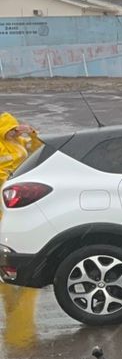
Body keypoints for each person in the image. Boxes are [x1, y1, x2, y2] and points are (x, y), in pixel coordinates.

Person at [1, 111, 43, 347]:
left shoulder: (20, 142)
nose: (14, 132)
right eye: (10, 129)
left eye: (15, 128)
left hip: (17, 190)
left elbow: (38, 149)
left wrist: (32, 133)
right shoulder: (1, 145)